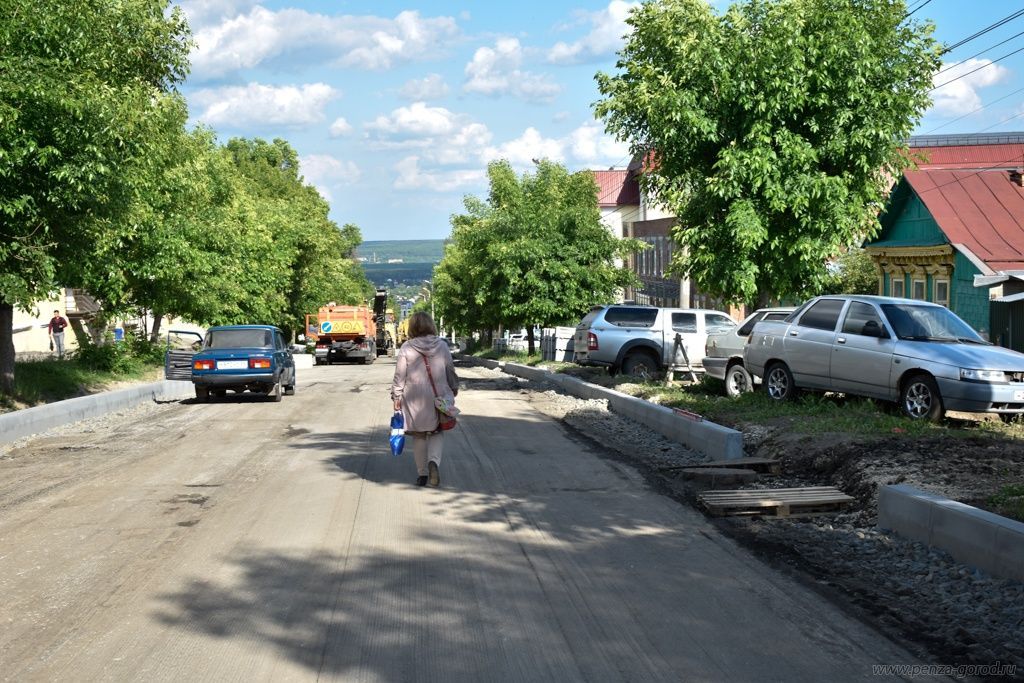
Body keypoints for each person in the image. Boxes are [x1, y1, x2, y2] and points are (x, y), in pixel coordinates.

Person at [391, 312, 458, 487]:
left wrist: (396, 396)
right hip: (439, 395)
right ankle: (434, 462)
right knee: (436, 430)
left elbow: (400, 376)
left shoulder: (406, 347)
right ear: (431, 325)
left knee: (419, 435)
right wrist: (454, 387)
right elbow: (450, 369)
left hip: (414, 397)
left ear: (412, 327)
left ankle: (422, 474)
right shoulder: (442, 346)